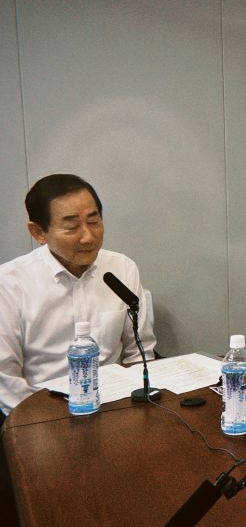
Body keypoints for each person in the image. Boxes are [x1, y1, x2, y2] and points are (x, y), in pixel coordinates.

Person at [0, 174, 156, 416]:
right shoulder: (9, 283)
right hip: (43, 415)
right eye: (72, 227)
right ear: (38, 232)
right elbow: (6, 381)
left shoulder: (122, 268)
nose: (88, 237)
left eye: (94, 221)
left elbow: (139, 351)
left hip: (118, 409)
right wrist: (46, 422)